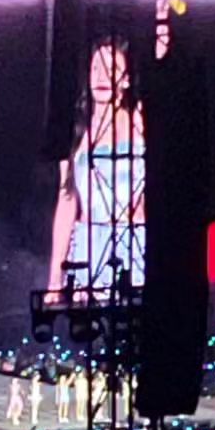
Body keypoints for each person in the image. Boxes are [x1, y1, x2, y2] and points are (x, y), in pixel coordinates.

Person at [47, 41, 146, 297]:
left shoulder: (139, 123)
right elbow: (66, 202)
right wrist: (55, 281)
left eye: (112, 69)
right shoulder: (77, 130)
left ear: (126, 80)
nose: (102, 76)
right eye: (96, 68)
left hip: (134, 244)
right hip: (88, 247)